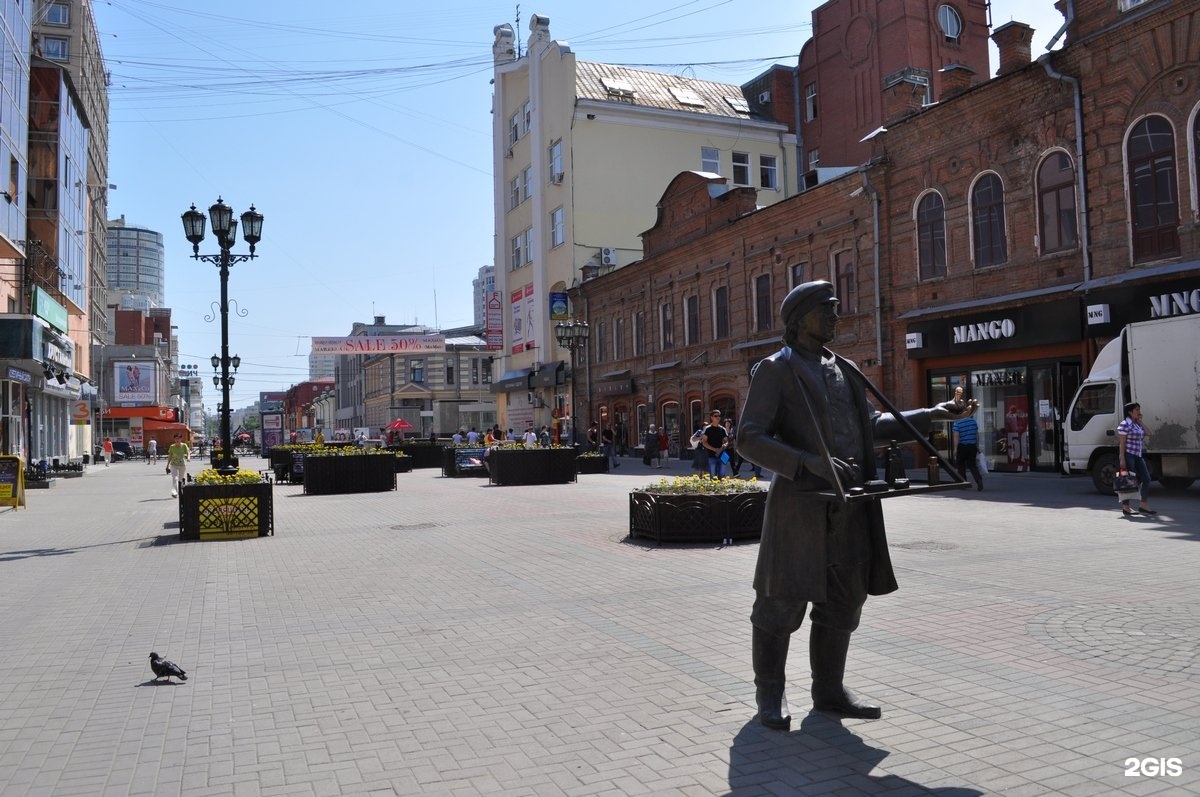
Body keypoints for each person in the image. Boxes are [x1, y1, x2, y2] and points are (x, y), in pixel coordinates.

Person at [737, 280, 976, 728]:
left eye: (835, 308)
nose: (835, 316)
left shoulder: (843, 368)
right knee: (780, 606)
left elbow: (873, 425)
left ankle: (828, 690)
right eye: (826, 309)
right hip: (800, 509)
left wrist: (934, 414)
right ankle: (769, 694)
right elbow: (749, 438)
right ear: (800, 318)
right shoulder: (776, 369)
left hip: (851, 507)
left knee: (845, 602)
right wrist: (811, 462)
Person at [1117, 401, 1155, 516]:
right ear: (1130, 412)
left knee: (1146, 479)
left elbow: (1149, 433)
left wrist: (1140, 421)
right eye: (1137, 410)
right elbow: (1122, 443)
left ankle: (1143, 505)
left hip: (1138, 455)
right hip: (1129, 455)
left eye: (1139, 409)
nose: (1139, 412)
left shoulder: (1137, 424)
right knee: (1128, 481)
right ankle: (1126, 507)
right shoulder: (1125, 424)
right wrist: (1122, 458)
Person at [952, 409, 984, 491]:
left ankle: (963, 483)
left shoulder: (957, 423)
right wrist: (977, 446)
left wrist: (955, 449)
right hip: (972, 446)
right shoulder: (973, 422)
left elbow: (956, 437)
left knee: (961, 465)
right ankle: (978, 480)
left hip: (962, 447)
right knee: (972, 465)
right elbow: (976, 435)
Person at [701, 410, 729, 478]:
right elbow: (704, 442)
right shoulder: (707, 429)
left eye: (719, 416)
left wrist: (725, 445)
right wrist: (714, 449)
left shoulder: (723, 429)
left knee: (722, 475)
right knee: (713, 475)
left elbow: (726, 441)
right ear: (712, 417)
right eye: (716, 416)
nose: (718, 417)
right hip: (711, 455)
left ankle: (721, 487)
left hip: (722, 455)